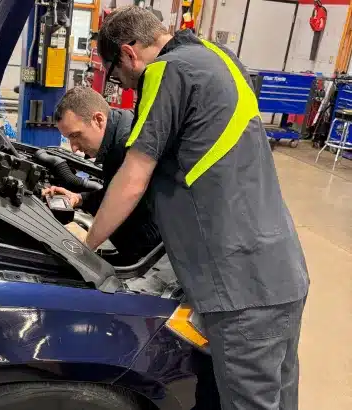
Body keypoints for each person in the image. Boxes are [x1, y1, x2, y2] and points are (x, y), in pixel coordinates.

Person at [86, 6, 310, 410]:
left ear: (128, 53)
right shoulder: (217, 56)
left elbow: (134, 177)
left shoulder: (165, 71)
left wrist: (85, 249)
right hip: (281, 270)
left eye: (119, 77)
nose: (126, 87)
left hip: (242, 286)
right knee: (279, 398)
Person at [43, 86, 161, 265]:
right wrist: (77, 199)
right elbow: (114, 193)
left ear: (98, 120)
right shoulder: (121, 128)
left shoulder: (127, 146)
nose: (73, 148)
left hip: (154, 260)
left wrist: (85, 248)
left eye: (76, 135)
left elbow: (125, 200)